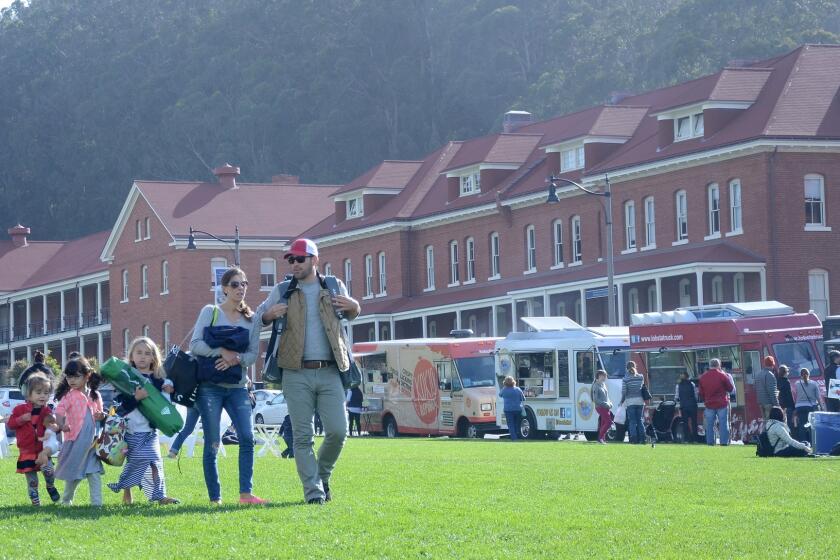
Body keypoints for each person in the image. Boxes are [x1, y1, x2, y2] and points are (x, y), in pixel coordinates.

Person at [255, 238, 360, 505]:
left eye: (299, 259)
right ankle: (313, 493)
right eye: (290, 260)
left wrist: (355, 308)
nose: (294, 264)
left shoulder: (333, 285)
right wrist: (268, 317)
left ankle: (321, 476)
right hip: (295, 372)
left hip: (330, 370)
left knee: (338, 432)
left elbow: (351, 312)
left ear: (315, 260)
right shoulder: (282, 290)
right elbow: (258, 317)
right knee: (303, 437)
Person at [190, 267, 266, 505]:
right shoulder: (210, 312)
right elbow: (195, 345)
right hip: (209, 387)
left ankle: (246, 495)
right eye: (234, 284)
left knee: (246, 436)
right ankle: (215, 498)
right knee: (213, 442)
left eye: (244, 284)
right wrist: (221, 351)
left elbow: (253, 355)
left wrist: (236, 358)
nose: (240, 288)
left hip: (238, 387)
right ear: (224, 288)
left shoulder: (251, 320)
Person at [107, 337, 179, 505]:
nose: (142, 357)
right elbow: (121, 407)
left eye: (147, 353)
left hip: (150, 431)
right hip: (131, 430)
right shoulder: (126, 378)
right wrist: (136, 398)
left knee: (155, 461)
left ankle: (160, 496)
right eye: (138, 353)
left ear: (154, 358)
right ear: (131, 356)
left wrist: (170, 390)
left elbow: (165, 405)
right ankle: (126, 489)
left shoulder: (157, 379)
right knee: (136, 460)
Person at [54, 357, 105, 506]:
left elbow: (101, 414)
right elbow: (59, 412)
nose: (72, 380)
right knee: (73, 475)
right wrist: (61, 424)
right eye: (69, 376)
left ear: (87, 375)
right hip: (76, 442)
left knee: (94, 473)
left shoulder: (95, 395)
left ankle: (97, 504)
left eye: (76, 376)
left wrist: (101, 415)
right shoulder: (68, 396)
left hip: (92, 443)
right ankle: (66, 500)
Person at [8, 373, 60, 505]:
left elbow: (51, 424)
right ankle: (35, 502)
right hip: (27, 452)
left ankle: (50, 486)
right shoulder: (20, 409)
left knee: (49, 472)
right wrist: (21, 419)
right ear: (28, 393)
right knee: (32, 480)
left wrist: (55, 426)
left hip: (42, 450)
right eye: (39, 392)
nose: (43, 395)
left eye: (46, 392)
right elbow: (11, 424)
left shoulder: (46, 410)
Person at [698, 358, 735, 446]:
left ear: (709, 365)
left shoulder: (703, 377)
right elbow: (730, 389)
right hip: (722, 403)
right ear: (719, 365)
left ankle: (710, 442)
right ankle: (723, 442)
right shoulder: (723, 375)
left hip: (709, 404)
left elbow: (700, 393)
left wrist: (705, 400)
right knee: (723, 424)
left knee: (709, 425)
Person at [794, 368, 822, 442]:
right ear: (809, 374)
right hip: (811, 407)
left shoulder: (797, 383)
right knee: (811, 426)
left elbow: (795, 396)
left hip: (799, 407)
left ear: (800, 375)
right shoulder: (814, 383)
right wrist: (822, 407)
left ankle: (803, 443)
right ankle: (813, 443)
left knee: (802, 426)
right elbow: (818, 397)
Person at [620, 361, 645, 444]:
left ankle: (633, 439)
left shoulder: (625, 379)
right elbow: (641, 388)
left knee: (632, 422)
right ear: (635, 366)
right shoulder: (641, 377)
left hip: (630, 402)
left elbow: (624, 392)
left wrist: (621, 401)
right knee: (640, 421)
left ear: (626, 368)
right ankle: (643, 439)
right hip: (640, 401)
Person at [674, 371, 698, 443]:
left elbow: (676, 397)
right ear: (688, 377)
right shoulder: (692, 384)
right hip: (693, 406)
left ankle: (687, 439)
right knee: (694, 423)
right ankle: (695, 439)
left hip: (684, 406)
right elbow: (696, 395)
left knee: (685, 423)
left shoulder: (678, 386)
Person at [499, 376, 525, 441]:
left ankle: (514, 438)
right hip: (517, 409)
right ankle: (517, 436)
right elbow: (523, 399)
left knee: (510, 424)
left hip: (508, 410)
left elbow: (500, 395)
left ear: (505, 383)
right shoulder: (518, 389)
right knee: (517, 423)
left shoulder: (504, 390)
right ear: (513, 382)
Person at [755, 356, 779, 421]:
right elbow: (772, 392)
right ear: (773, 364)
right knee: (771, 423)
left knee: (766, 423)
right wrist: (777, 406)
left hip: (761, 403)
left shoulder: (758, 374)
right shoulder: (770, 375)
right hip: (769, 404)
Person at [591, 370, 611, 444]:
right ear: (599, 376)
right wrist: (605, 404)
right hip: (600, 407)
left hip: (606, 407)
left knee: (603, 423)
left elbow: (607, 396)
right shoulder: (595, 385)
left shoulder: (603, 384)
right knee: (608, 422)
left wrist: (610, 403)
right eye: (603, 376)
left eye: (605, 376)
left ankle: (602, 439)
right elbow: (595, 399)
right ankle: (600, 438)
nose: (605, 377)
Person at [776, 365, 796, 432]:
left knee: (781, 423)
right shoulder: (786, 382)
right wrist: (793, 407)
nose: (788, 373)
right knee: (789, 424)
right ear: (785, 373)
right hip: (788, 405)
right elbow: (789, 395)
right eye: (787, 371)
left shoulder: (776, 381)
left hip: (780, 405)